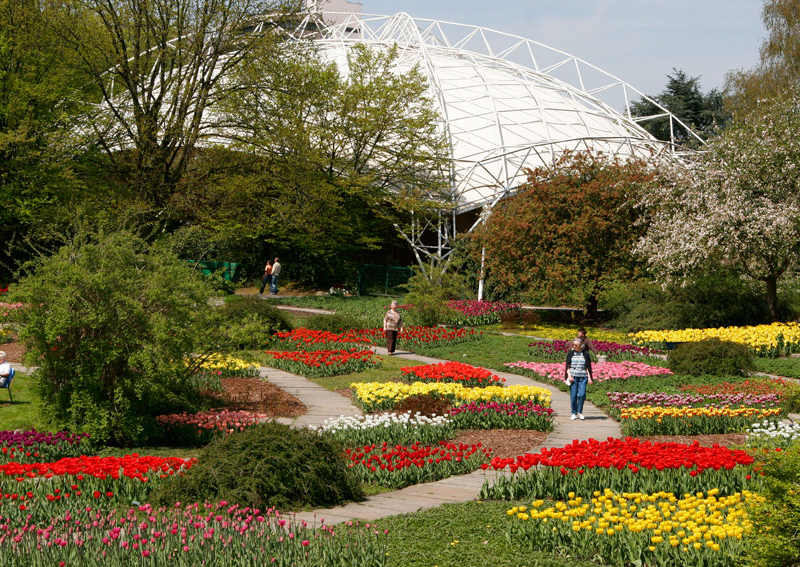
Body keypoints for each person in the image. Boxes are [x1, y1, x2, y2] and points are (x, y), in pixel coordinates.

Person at [564, 338, 593, 420]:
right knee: (573, 395)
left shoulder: (585, 354)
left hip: (583, 377)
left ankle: (579, 411)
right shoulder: (571, 354)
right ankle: (573, 412)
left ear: (580, 345)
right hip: (573, 378)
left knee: (582, 394)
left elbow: (588, 367)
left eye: (575, 345)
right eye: (572, 345)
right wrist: (569, 375)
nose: (573, 346)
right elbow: (567, 366)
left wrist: (590, 378)